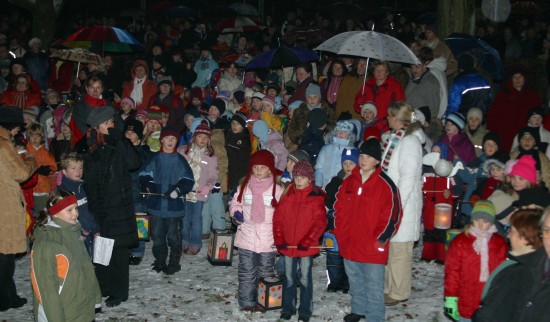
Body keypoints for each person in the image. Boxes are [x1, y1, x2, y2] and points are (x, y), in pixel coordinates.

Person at [334, 138, 403, 322]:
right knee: (355, 280)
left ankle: (374, 317)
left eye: (369, 157)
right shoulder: (349, 181)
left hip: (372, 245)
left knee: (373, 285)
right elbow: (339, 208)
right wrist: (340, 232)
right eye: (362, 156)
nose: (364, 160)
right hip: (350, 242)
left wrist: (381, 239)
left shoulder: (386, 184)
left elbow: (393, 215)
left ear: (377, 161)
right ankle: (359, 309)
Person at [83, 106, 141, 307]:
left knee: (118, 252)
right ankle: (103, 287)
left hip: (119, 206)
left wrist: (120, 140)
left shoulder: (119, 144)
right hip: (100, 207)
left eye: (112, 122)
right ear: (97, 127)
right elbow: (88, 178)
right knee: (101, 250)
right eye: (107, 123)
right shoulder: (90, 146)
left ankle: (119, 292)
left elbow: (134, 163)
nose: (111, 126)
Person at [30, 190, 102, 321]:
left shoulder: (73, 231)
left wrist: (95, 296)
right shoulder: (47, 242)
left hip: (81, 307)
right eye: (69, 210)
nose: (76, 213)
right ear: (55, 212)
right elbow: (46, 289)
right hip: (63, 312)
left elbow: (86, 267)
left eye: (76, 208)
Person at [381, 102, 425, 306]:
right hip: (392, 203)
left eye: (390, 116)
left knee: (400, 251)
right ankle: (390, 287)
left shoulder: (410, 143)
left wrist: (398, 203)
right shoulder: (397, 139)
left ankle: (399, 291)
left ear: (397, 118)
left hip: (403, 206)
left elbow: (408, 177)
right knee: (392, 249)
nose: (387, 119)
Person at [229, 150, 284, 312]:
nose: (259, 170)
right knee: (246, 271)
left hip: (268, 239)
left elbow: (282, 214)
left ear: (270, 170)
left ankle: (263, 299)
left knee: (266, 271)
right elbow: (235, 203)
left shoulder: (277, 190)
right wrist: (236, 213)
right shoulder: (244, 187)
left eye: (263, 167)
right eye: (256, 167)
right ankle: (246, 300)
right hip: (247, 237)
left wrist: (280, 236)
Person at [273, 160, 327, 322]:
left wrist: (308, 240)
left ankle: (305, 310)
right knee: (289, 277)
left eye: (302, 177)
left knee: (304, 278)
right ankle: (288, 307)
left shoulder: (315, 198)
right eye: (296, 177)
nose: (298, 180)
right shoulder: (288, 195)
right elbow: (278, 220)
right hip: (289, 245)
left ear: (310, 179)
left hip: (305, 247)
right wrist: (280, 239)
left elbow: (319, 223)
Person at [472, 209, 543, 322]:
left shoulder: (518, 273)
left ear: (525, 238)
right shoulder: (540, 263)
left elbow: (492, 314)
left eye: (512, 231)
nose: (508, 235)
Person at [140, 128, 195, 274]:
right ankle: (160, 260)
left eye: (173, 139)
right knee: (157, 236)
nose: (170, 141)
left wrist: (178, 190)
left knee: (173, 235)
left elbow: (188, 179)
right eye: (167, 138)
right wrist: (149, 184)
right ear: (162, 140)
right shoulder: (154, 158)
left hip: (174, 206)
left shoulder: (180, 160)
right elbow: (144, 174)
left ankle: (174, 261)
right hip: (157, 205)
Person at [444, 200, 507, 321]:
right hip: (465, 299)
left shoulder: (499, 243)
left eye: (485, 221)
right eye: (477, 220)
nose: (480, 224)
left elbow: (502, 274)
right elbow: (452, 272)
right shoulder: (460, 242)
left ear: (492, 222)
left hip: (489, 301)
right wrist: (450, 299)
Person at [0, 106, 37, 312]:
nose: (17, 132)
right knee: (5, 254)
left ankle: (8, 295)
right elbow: (22, 173)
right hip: (4, 204)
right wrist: (30, 158)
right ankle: (6, 299)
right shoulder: (4, 145)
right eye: (17, 128)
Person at [177, 120, 218, 255]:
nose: (203, 139)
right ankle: (184, 241)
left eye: (206, 138)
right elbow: (176, 169)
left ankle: (195, 242)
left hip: (199, 192)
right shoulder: (183, 151)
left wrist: (208, 187)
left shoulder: (210, 156)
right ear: (194, 137)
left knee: (196, 219)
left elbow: (213, 175)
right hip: (184, 190)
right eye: (200, 136)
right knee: (184, 217)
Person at [487, 66, 542, 153]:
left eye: (520, 76)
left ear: (525, 79)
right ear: (510, 79)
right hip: (505, 137)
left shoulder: (533, 97)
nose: (517, 79)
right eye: (514, 77)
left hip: (527, 138)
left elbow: (539, 117)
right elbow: (493, 117)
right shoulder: (501, 96)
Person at [58, 153, 99, 257]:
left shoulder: (80, 187)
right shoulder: (64, 192)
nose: (78, 171)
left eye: (80, 168)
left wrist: (95, 229)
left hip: (87, 233)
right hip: (75, 236)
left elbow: (86, 213)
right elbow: (65, 219)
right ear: (64, 172)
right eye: (73, 168)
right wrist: (79, 232)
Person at [26, 123, 57, 214]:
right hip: (30, 189)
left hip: (43, 189)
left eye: (38, 136)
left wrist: (49, 170)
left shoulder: (46, 153)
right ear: (28, 137)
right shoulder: (25, 152)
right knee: (30, 213)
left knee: (42, 213)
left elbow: (53, 166)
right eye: (32, 136)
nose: (35, 138)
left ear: (42, 137)